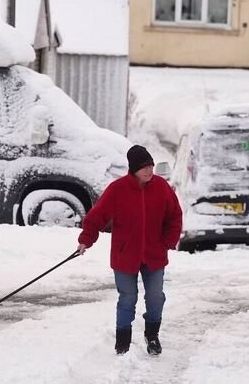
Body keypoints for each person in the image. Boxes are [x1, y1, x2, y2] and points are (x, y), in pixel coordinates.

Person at [76, 145, 183, 356]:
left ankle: (152, 336)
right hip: (125, 255)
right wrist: (86, 240)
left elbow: (174, 216)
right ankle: (122, 342)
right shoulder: (118, 189)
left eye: (151, 166)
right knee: (127, 297)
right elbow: (97, 216)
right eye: (144, 167)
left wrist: (168, 242)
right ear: (133, 169)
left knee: (155, 297)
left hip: (154, 254)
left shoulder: (161, 187)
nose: (149, 171)